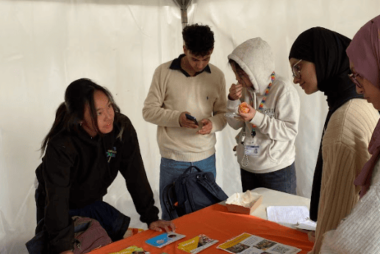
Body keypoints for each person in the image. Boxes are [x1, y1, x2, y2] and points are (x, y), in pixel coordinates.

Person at [32, 78, 174, 254]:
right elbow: (57, 199)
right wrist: (63, 247)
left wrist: (151, 217)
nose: (109, 116)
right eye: (98, 113)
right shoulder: (62, 144)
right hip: (57, 202)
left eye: (109, 106)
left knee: (100, 243)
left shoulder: (121, 128)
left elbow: (135, 173)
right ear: (79, 119)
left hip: (90, 199)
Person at [289, 27, 379, 254]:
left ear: (322, 56)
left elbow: (337, 211)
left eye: (298, 67)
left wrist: (320, 247)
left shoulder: (344, 120)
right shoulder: (357, 102)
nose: (295, 78)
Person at [142, 24, 227, 220]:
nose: (200, 64)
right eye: (194, 59)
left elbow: (223, 115)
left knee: (209, 218)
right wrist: (177, 119)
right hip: (173, 160)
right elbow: (148, 111)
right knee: (173, 220)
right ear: (184, 50)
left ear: (212, 51)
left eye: (205, 59)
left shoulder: (218, 76)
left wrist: (212, 124)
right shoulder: (163, 72)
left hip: (206, 159)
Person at [321, 15, 380, 254]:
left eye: (360, 74)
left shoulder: (344, 118)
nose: (357, 86)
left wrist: (328, 241)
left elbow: (353, 247)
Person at [226, 37, 300, 194]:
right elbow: (235, 124)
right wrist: (232, 101)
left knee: (279, 218)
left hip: (277, 170)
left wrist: (256, 117)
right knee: (253, 218)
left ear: (255, 71)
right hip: (248, 166)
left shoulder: (283, 90)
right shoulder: (244, 90)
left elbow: (289, 131)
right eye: (235, 74)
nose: (237, 80)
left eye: (241, 75)